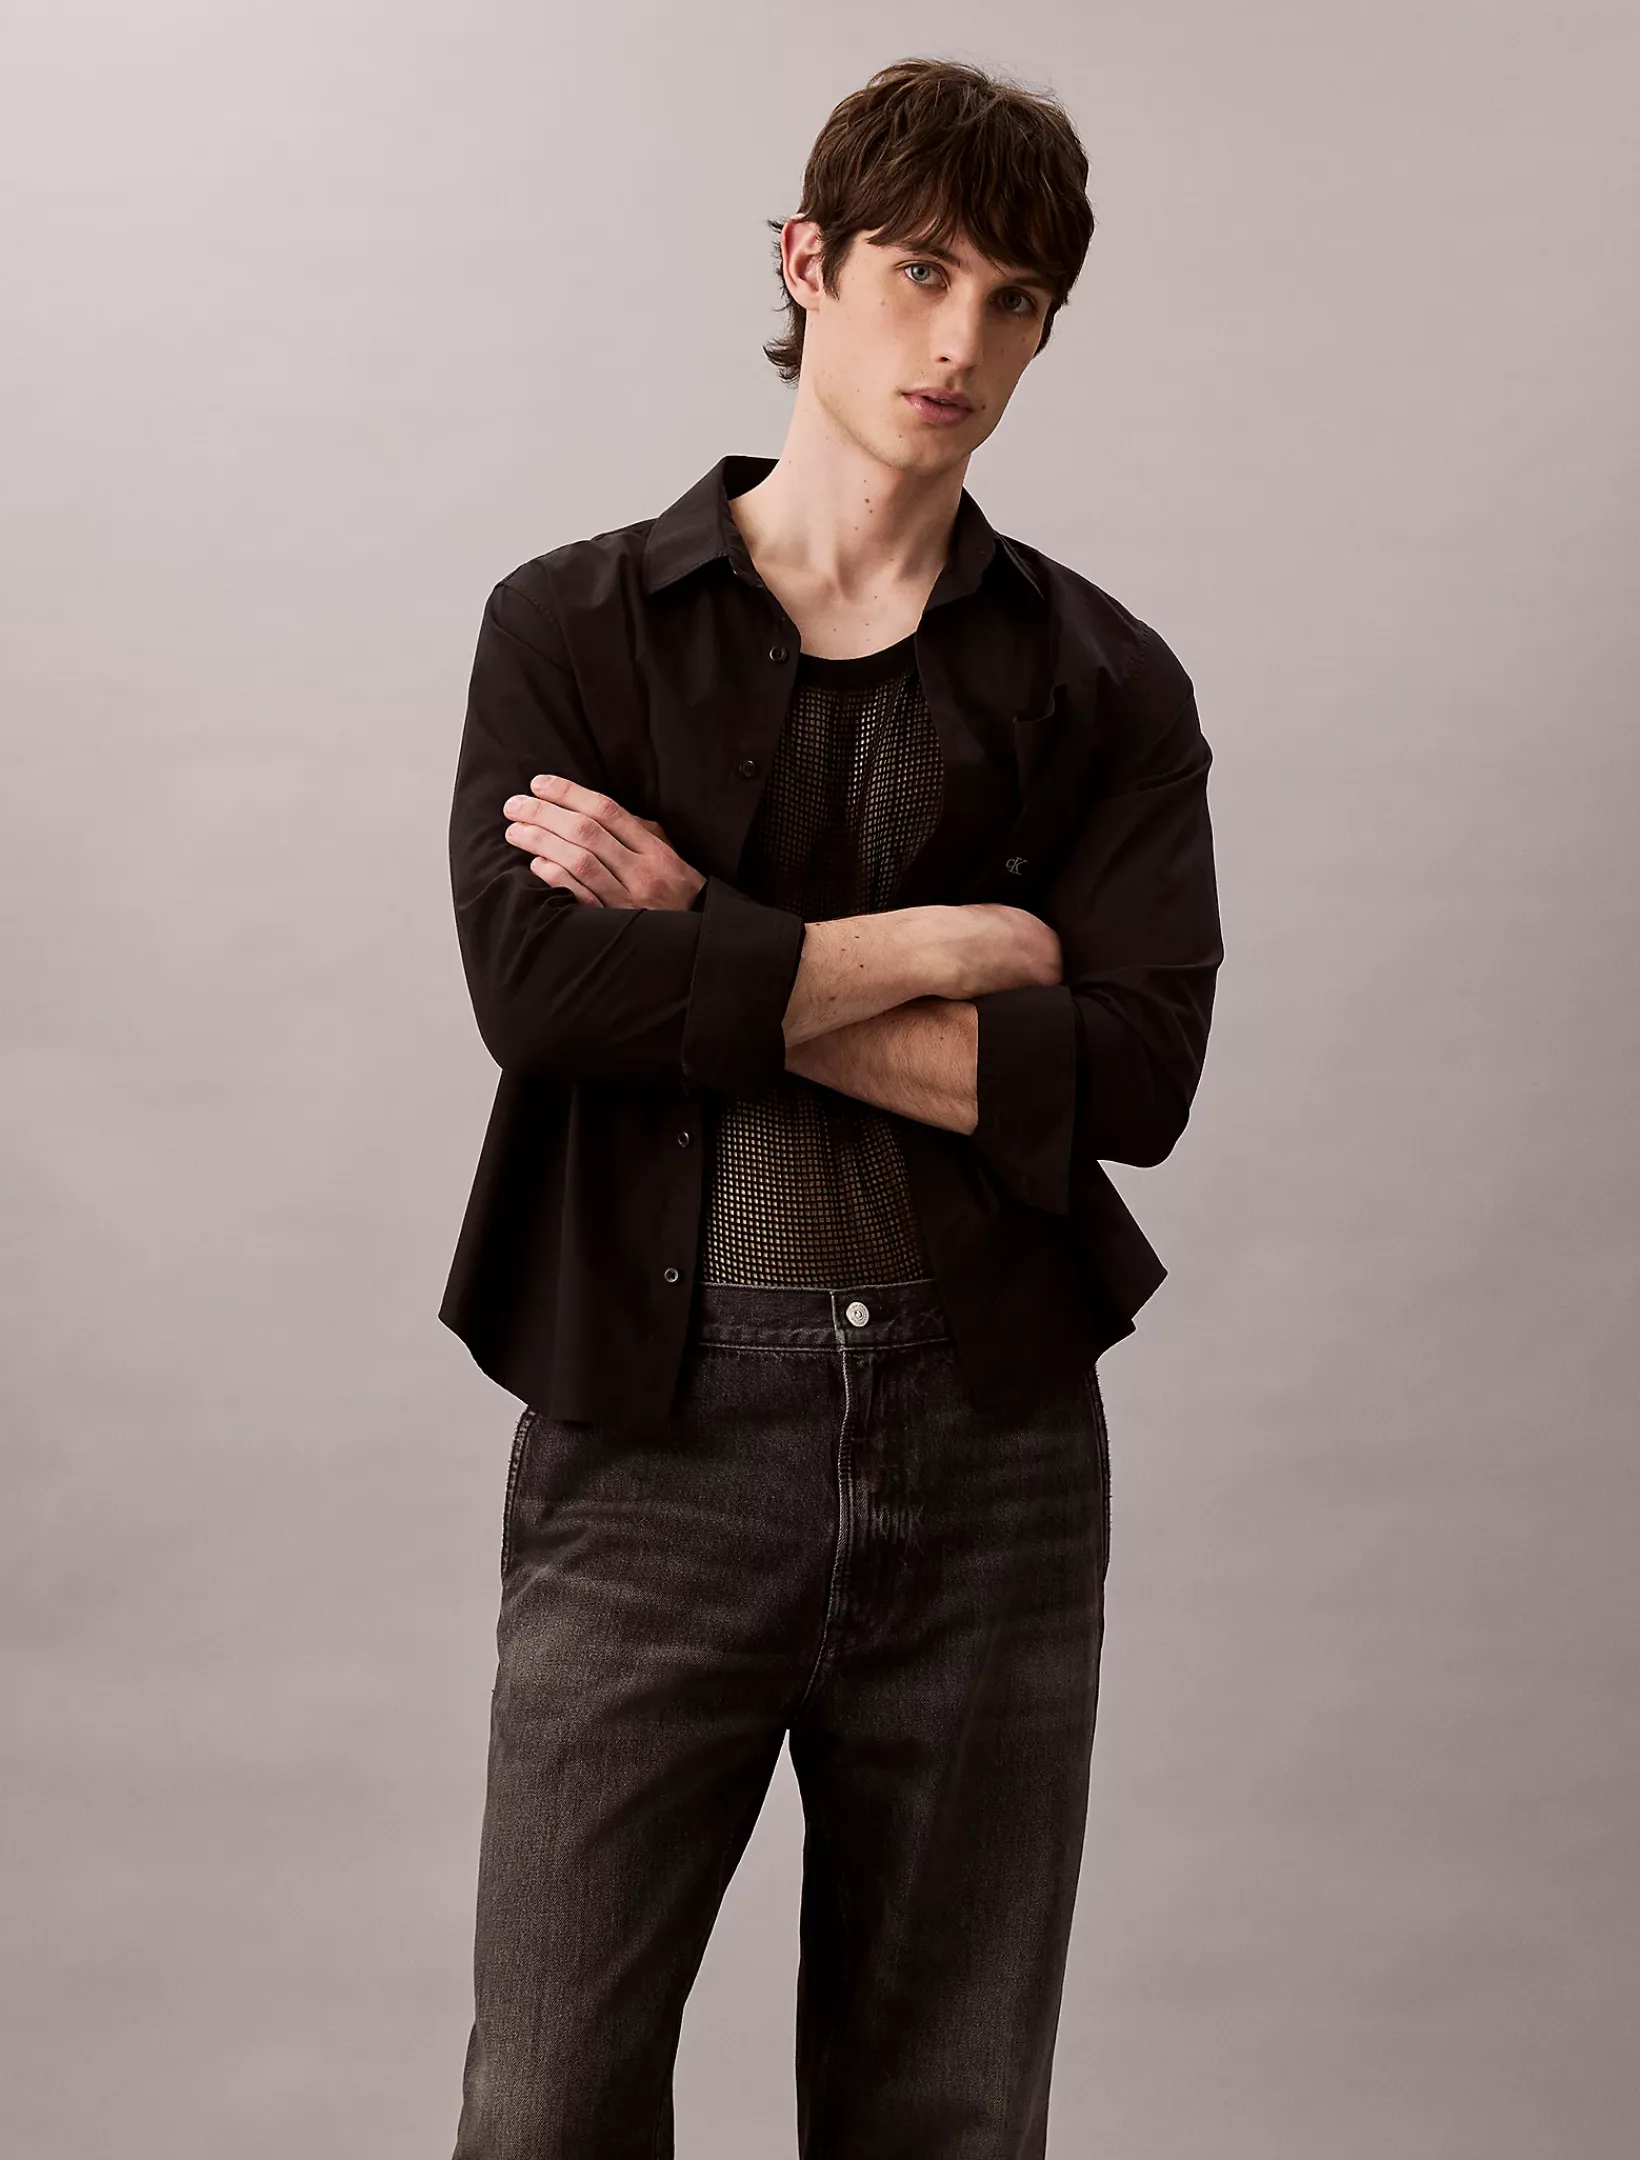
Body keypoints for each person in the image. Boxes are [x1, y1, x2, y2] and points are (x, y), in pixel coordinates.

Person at [442, 54, 1222, 2160]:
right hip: (653, 1438)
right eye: (919, 272)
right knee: (545, 2107)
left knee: (946, 2116)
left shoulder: (1104, 680)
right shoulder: (574, 626)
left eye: (1016, 299)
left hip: (993, 1457)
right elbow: (539, 993)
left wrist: (701, 941)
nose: (961, 341)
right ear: (807, 263)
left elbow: (1136, 1077)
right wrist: (951, 947)